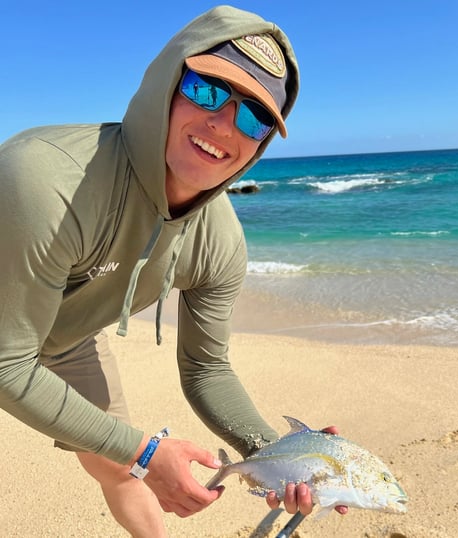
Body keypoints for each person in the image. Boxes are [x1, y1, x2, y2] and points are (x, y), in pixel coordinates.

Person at [0, 5, 345, 537]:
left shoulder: (220, 242)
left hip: (67, 335)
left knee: (118, 466)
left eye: (254, 117)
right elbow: (6, 365)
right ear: (167, 82)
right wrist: (146, 449)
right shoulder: (48, 180)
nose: (224, 124)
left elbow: (207, 371)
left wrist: (276, 454)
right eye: (207, 90)